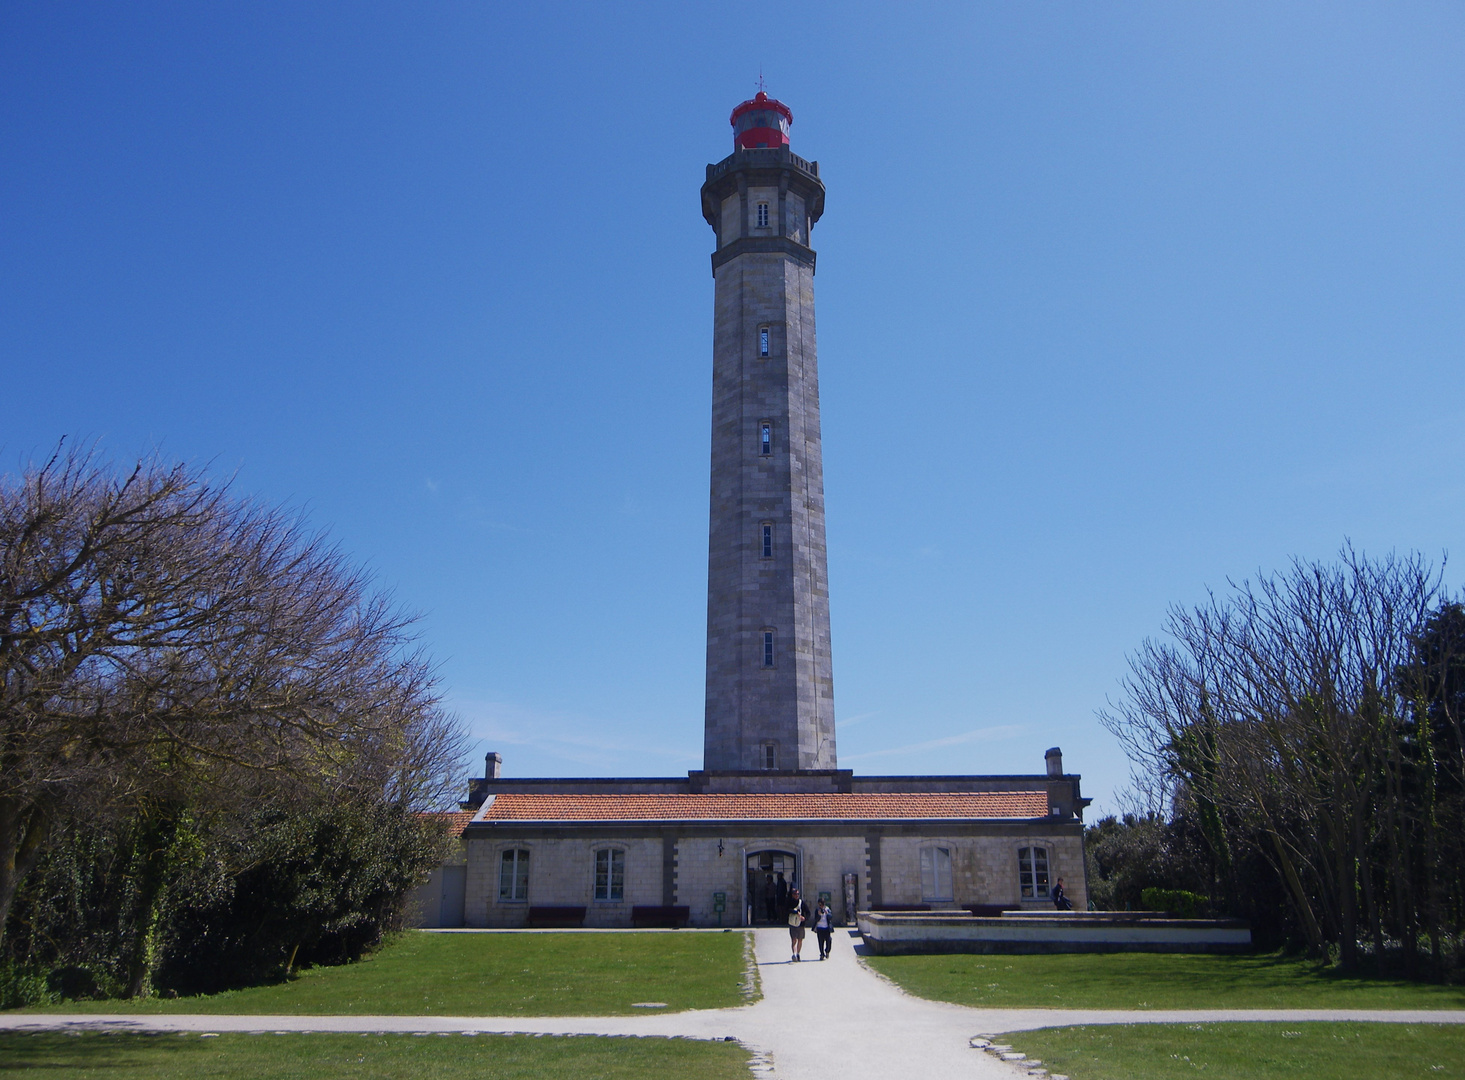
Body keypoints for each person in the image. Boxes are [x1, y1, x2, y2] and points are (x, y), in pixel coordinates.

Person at [786, 887, 811, 961]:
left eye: (797, 894)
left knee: (800, 939)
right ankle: (794, 954)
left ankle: (798, 954)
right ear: (792, 895)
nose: (796, 895)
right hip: (792, 923)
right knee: (794, 939)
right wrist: (795, 912)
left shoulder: (802, 903)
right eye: (795, 894)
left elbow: (808, 912)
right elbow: (787, 910)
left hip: (801, 924)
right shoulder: (789, 902)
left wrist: (805, 918)